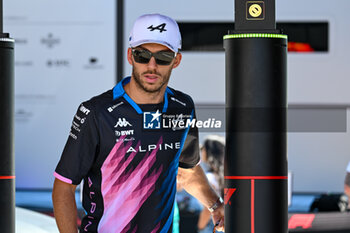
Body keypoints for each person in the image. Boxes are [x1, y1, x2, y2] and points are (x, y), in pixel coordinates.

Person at [52, 13, 224, 233]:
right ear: (130, 56)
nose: (151, 66)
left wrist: (215, 205)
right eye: (143, 55)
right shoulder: (97, 112)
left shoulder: (182, 107)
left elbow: (186, 171)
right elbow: (64, 186)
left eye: (162, 57)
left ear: (176, 60)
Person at [197, 136, 225, 233]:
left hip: (211, 225)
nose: (201, 152)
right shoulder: (225, 176)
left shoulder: (209, 178)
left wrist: (201, 227)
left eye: (202, 149)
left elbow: (208, 208)